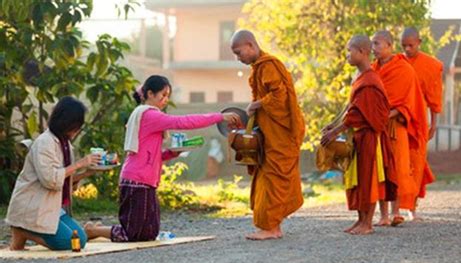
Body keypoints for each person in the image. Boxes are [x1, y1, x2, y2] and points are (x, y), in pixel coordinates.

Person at [84, 75, 240, 242]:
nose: (165, 100)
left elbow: (153, 154)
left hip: (147, 181)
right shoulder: (149, 115)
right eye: (163, 95)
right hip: (136, 180)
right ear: (150, 94)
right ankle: (95, 230)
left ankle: (98, 229)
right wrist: (219, 117)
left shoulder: (149, 115)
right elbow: (184, 121)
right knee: (132, 234)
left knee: (150, 232)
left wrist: (172, 153)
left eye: (168, 96)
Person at [231, 30, 305, 240]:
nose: (238, 58)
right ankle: (273, 226)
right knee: (267, 177)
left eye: (239, 52)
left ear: (250, 45)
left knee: (275, 177)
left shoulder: (269, 65)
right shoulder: (258, 68)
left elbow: (280, 97)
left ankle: (271, 228)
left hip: (282, 132)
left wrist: (258, 104)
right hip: (271, 133)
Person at [321, 35, 397, 235]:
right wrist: (334, 124)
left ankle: (368, 223)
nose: (347, 55)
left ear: (362, 52)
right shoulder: (359, 78)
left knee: (367, 178)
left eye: (349, 50)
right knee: (357, 179)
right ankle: (360, 220)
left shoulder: (371, 79)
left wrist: (336, 132)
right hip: (358, 137)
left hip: (370, 137)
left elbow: (359, 113)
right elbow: (350, 107)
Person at [6, 96, 102, 250]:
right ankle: (22, 230)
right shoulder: (45, 142)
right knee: (70, 243)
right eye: (76, 125)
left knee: (81, 239)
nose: (78, 130)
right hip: (35, 207)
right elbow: (50, 180)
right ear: (66, 122)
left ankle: (22, 236)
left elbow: (64, 180)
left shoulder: (65, 144)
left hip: (53, 207)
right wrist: (80, 163)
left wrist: (88, 172)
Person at [371, 30, 425, 226]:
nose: (373, 48)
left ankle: (396, 212)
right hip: (377, 126)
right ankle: (383, 215)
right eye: (372, 44)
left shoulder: (404, 69)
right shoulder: (371, 70)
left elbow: (408, 102)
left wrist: (389, 115)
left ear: (389, 45)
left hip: (395, 125)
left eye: (377, 44)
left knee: (398, 167)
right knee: (379, 169)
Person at [401, 27, 442, 220]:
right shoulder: (396, 64)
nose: (407, 49)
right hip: (398, 122)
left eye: (411, 45)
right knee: (399, 162)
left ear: (419, 42)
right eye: (404, 46)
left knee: (416, 163)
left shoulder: (431, 66)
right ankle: (395, 207)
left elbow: (434, 98)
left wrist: (433, 124)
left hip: (419, 122)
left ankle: (412, 207)